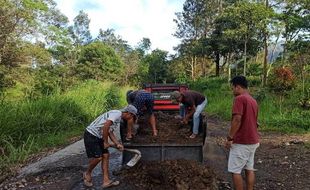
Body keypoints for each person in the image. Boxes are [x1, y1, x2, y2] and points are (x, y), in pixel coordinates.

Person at [83, 105, 137, 188]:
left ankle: (106, 181)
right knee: (98, 158)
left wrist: (117, 143)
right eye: (132, 117)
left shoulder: (118, 119)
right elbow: (106, 126)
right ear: (129, 113)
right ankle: (87, 173)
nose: (130, 119)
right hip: (91, 134)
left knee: (106, 155)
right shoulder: (117, 113)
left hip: (99, 136)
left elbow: (109, 132)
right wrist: (105, 142)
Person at [225, 76, 260, 190]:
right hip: (253, 141)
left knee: (235, 171)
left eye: (233, 88)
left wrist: (230, 137)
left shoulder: (239, 99)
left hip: (242, 142)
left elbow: (237, 119)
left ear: (238, 87)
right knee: (249, 169)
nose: (233, 91)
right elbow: (256, 122)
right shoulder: (253, 100)